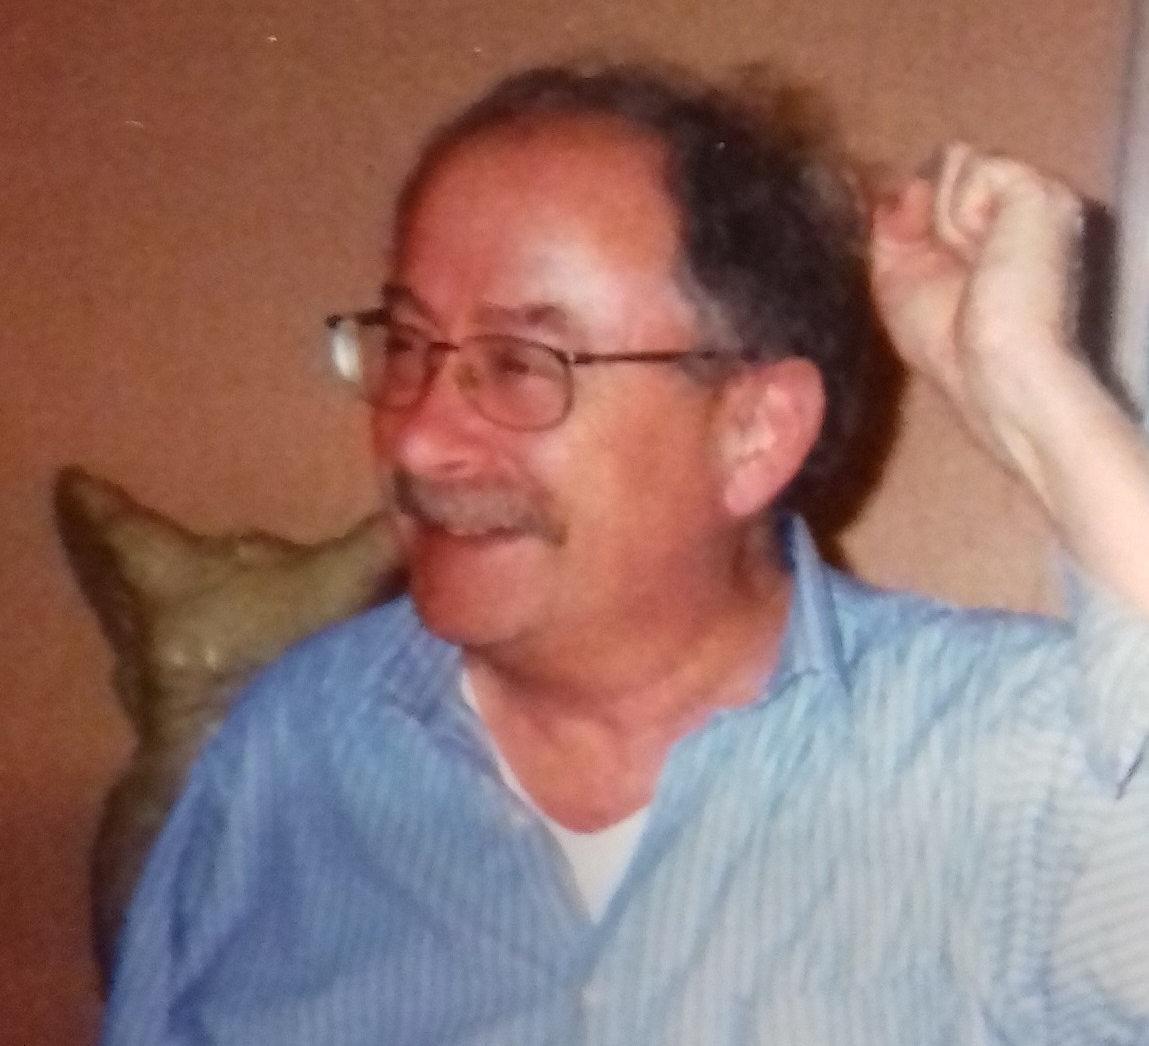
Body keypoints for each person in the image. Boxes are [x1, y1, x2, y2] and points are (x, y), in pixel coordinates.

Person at [102, 64, 1149, 1045]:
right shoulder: (296, 745)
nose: (417, 440)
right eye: (409, 346)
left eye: (521, 363)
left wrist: (1026, 382)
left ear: (752, 434)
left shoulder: (991, 766)